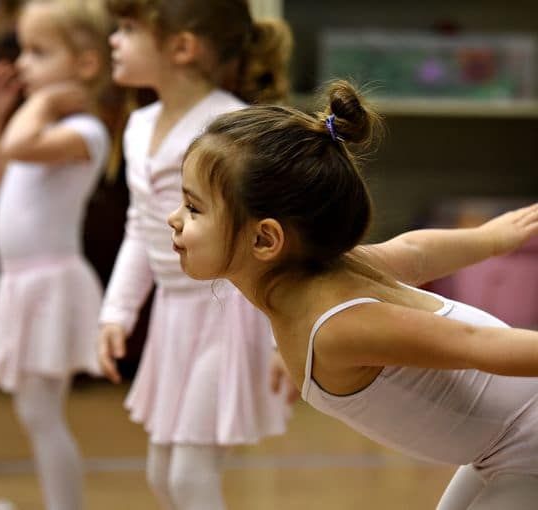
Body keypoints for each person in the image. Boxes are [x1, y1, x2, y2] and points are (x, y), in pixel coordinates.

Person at [168, 79, 538, 509]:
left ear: (266, 240)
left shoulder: (339, 326)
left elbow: (476, 345)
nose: (174, 219)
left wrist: (492, 240)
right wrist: (490, 239)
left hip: (525, 438)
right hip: (501, 440)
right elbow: (413, 253)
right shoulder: (328, 276)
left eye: (193, 208)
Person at [97, 1, 296, 508]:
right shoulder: (140, 124)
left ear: (182, 47)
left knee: (190, 473)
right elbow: (140, 231)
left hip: (229, 314)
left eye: (127, 29)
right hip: (175, 318)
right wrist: (118, 311)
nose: (113, 40)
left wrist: (283, 339)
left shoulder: (231, 127)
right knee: (162, 472)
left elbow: (276, 239)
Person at [0, 1, 113, 508]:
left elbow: (16, 146)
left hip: (51, 284)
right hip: (22, 282)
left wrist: (47, 103)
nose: (23, 63)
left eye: (38, 52)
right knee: (33, 411)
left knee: (42, 412)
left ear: (86, 65)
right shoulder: (35, 132)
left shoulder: (85, 133)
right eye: (22, 49)